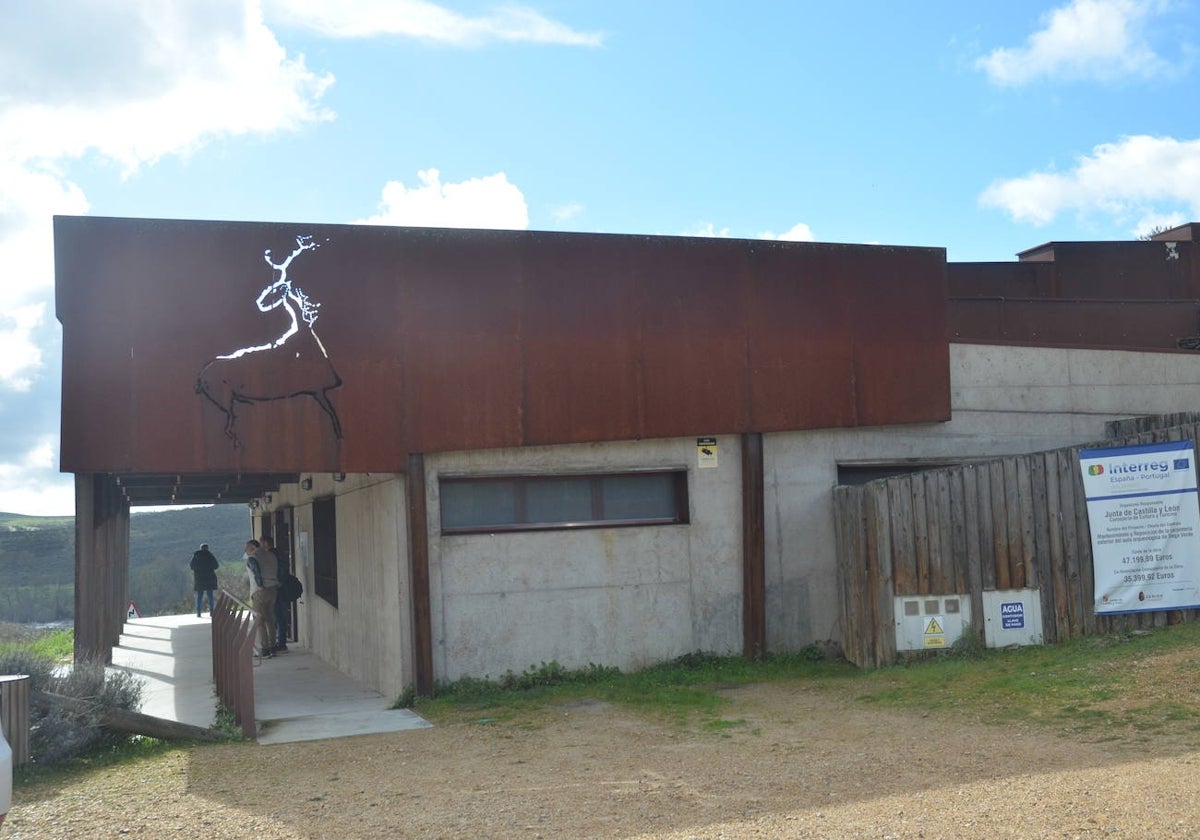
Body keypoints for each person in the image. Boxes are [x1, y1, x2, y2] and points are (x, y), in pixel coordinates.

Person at [245, 538, 279, 658]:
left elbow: (256, 573)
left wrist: (260, 586)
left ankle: (265, 649)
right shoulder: (271, 555)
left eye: (247, 548)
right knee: (270, 619)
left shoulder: (253, 558)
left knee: (259, 620)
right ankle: (273, 646)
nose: (245, 551)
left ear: (253, 548)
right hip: (273, 589)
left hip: (260, 591)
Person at [190, 543, 219, 617]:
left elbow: (192, 566)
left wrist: (199, 570)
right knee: (210, 596)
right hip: (209, 578)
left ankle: (198, 612)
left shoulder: (196, 556)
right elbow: (216, 565)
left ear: (200, 548)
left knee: (199, 596)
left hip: (199, 579)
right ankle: (212, 612)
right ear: (207, 548)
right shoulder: (210, 556)